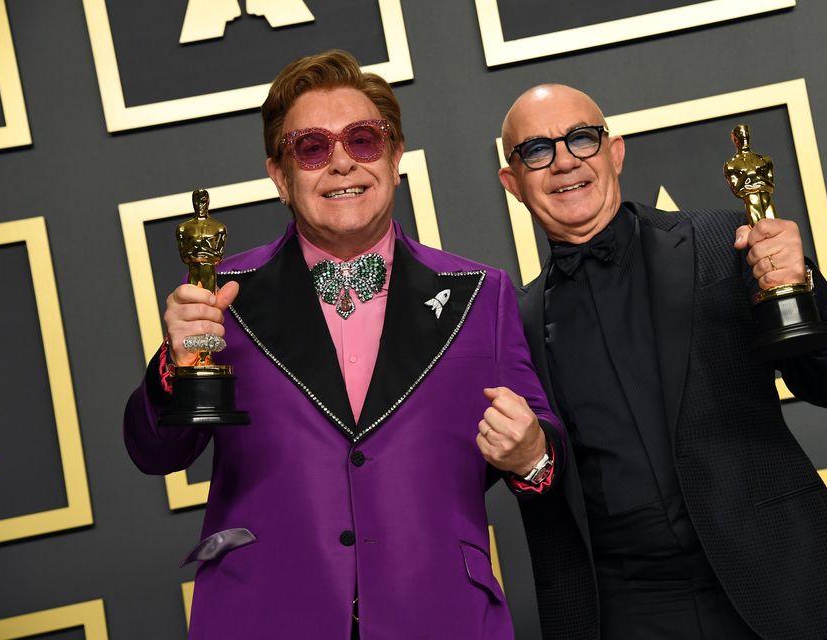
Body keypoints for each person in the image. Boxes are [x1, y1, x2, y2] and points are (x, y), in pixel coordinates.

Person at [124, 51, 563, 640]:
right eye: (310, 147)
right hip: (265, 617)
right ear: (280, 176)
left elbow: (544, 461)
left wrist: (531, 452)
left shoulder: (483, 294)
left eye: (362, 140)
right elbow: (158, 453)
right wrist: (176, 363)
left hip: (443, 616)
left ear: (395, 156)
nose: (339, 164)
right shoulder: (224, 297)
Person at [497, 84, 827, 639]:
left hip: (779, 579)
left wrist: (800, 287)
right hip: (628, 610)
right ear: (513, 182)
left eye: (581, 139)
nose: (563, 162)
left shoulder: (722, 242)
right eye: (536, 150)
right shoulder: (515, 320)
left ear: (615, 151)